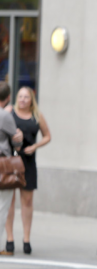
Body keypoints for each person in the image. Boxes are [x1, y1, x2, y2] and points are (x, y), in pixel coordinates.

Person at [5, 86, 51, 255]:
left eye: (26, 97)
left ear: (31, 99)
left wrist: (35, 146)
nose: (23, 99)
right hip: (10, 160)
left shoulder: (37, 116)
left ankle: (26, 239)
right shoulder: (9, 111)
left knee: (27, 201)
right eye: (20, 96)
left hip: (28, 162)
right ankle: (9, 239)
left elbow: (47, 136)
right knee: (9, 201)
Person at [0, 82, 23, 256]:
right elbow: (16, 142)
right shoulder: (5, 116)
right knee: (2, 206)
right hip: (3, 166)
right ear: (8, 98)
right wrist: (19, 137)